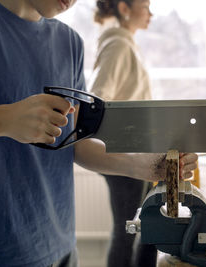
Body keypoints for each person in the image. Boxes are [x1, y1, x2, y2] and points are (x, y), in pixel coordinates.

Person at [0, 0, 198, 267]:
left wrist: (146, 165)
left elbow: (76, 144)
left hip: (60, 248)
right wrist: (5, 119)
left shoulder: (69, 42)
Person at [89, 1, 156, 266]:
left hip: (134, 153)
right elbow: (97, 100)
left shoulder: (127, 43)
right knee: (127, 231)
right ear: (124, 8)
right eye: (145, 5)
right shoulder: (118, 45)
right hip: (124, 155)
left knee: (139, 229)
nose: (151, 13)